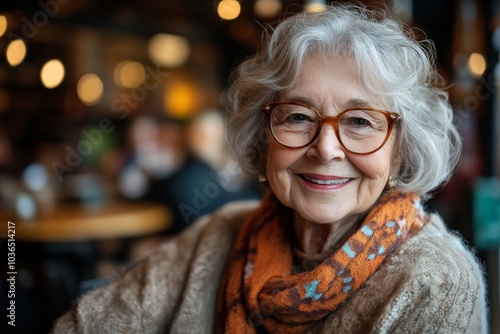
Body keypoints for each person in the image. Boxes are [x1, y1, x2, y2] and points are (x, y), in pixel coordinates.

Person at [51, 3, 489, 333]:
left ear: (400, 149)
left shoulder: (435, 281)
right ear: (263, 138)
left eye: (359, 122)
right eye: (298, 117)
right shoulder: (219, 233)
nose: (326, 149)